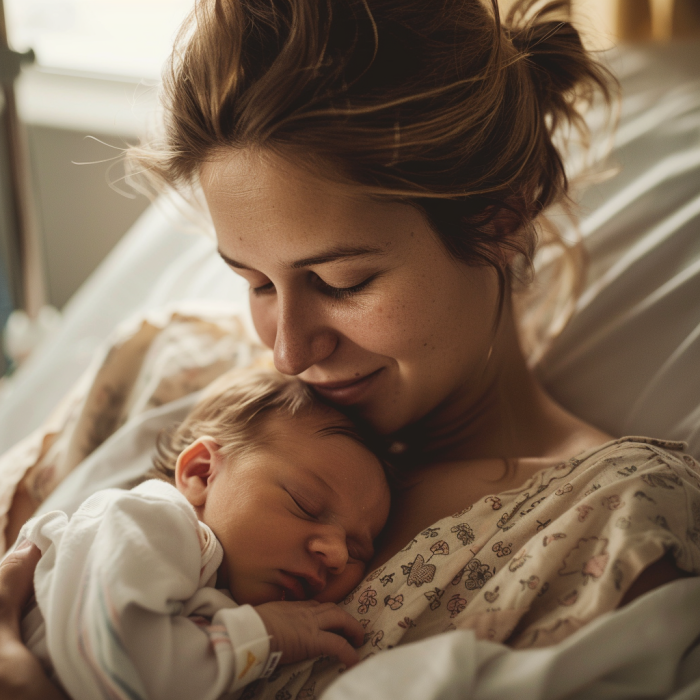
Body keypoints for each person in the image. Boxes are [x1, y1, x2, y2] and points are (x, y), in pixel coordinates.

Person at [1, 0, 700, 698]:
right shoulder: (169, 368)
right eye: (255, 282)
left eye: (343, 281)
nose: (288, 352)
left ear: (500, 218)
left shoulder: (609, 530)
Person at [15, 369, 390, 700]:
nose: (338, 555)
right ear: (199, 473)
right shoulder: (154, 518)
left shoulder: (215, 587)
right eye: (304, 504)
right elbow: (118, 661)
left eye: (358, 550)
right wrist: (262, 636)